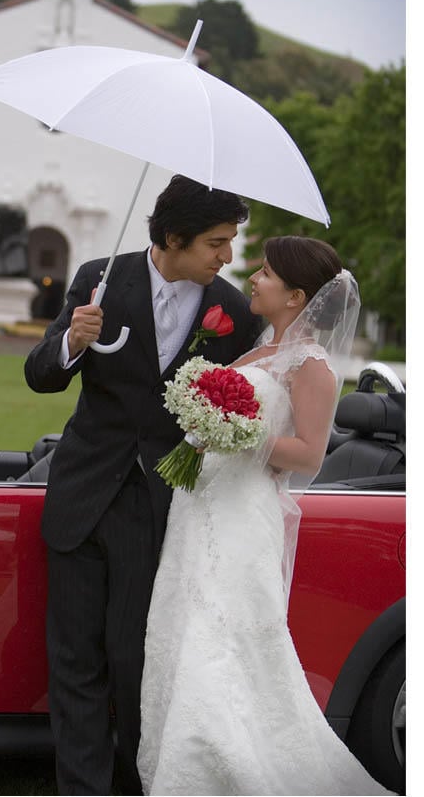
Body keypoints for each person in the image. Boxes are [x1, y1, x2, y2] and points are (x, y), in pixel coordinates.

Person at [24, 174, 264, 795]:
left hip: (160, 506)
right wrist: (71, 344)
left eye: (230, 242)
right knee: (74, 662)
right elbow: (40, 375)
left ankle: (139, 781)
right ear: (174, 237)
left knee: (135, 660)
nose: (226, 256)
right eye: (216, 242)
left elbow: (241, 407)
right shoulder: (98, 279)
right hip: (80, 497)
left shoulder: (233, 312)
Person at [137, 235, 395, 796]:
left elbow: (308, 454)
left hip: (241, 520)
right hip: (200, 508)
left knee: (223, 636)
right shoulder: (259, 352)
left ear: (297, 295)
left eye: (269, 274)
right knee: (181, 628)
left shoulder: (313, 367)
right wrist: (204, 428)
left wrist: (238, 435)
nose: (254, 277)